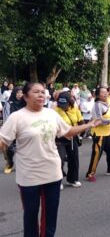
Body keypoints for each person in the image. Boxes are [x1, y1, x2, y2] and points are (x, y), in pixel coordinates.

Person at [0, 82, 99, 237]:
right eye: (36, 92)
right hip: (29, 175)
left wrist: (89, 125)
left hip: (52, 173)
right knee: (30, 216)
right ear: (25, 96)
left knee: (50, 216)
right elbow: (2, 141)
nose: (41, 95)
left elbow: (68, 131)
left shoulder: (51, 113)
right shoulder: (16, 117)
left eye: (42, 92)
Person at [86, 87, 110, 182]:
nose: (106, 94)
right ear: (97, 95)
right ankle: (90, 174)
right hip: (99, 134)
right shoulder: (97, 105)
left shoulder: (107, 103)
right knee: (97, 154)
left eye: (106, 92)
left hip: (107, 133)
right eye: (103, 93)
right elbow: (98, 120)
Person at [55, 91, 84, 188]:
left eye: (65, 104)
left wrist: (79, 132)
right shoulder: (55, 111)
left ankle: (72, 179)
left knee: (74, 159)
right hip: (59, 138)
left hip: (72, 138)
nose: (63, 106)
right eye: (61, 104)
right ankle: (57, 181)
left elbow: (81, 122)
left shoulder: (75, 109)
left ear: (70, 102)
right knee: (60, 159)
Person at [2, 86, 25, 174]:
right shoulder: (9, 103)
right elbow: (6, 117)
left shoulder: (25, 103)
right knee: (10, 148)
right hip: (12, 128)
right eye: (17, 93)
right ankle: (10, 163)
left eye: (21, 93)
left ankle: (25, 166)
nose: (19, 95)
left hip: (23, 128)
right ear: (14, 93)